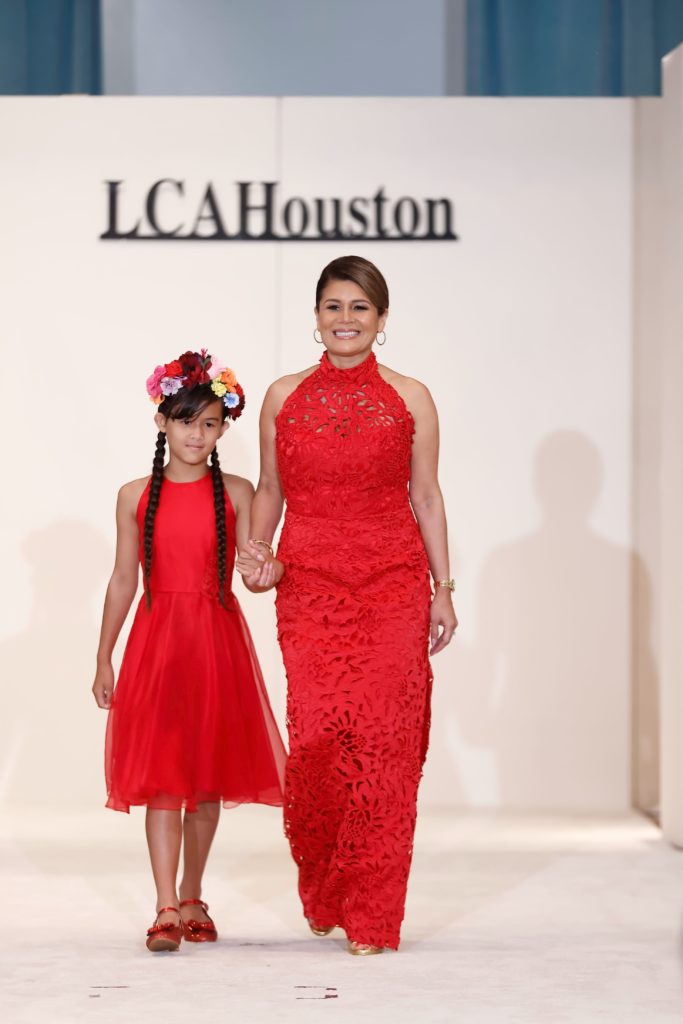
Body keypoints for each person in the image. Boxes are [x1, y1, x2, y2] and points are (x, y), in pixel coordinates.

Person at [238, 256, 457, 955]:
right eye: (333, 306)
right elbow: (270, 487)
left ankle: (372, 914)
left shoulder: (411, 397)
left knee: (384, 746)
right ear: (314, 315)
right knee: (319, 743)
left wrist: (442, 590)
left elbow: (425, 495)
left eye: (359, 308)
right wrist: (256, 554)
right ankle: (327, 888)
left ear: (382, 320)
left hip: (393, 583)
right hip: (309, 587)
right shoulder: (281, 396)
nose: (345, 319)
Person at [92, 349, 286, 952]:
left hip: (215, 644)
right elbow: (124, 578)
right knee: (163, 779)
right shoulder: (134, 495)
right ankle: (165, 905)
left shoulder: (236, 490)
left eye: (208, 423)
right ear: (162, 422)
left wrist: (270, 569)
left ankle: (195, 893)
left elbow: (256, 574)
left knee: (204, 780)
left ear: (224, 427)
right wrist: (105, 656)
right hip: (157, 645)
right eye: (184, 421)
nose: (196, 434)